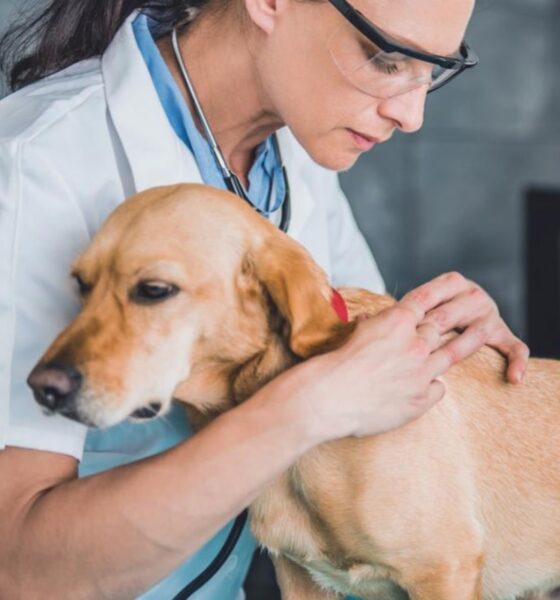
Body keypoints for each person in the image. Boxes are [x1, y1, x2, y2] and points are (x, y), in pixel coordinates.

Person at [0, 0, 529, 597]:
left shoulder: (298, 149)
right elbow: (19, 568)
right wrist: (303, 411)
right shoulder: (32, 165)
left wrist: (442, 348)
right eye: (384, 57)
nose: (412, 115)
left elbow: (367, 400)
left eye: (432, 70)